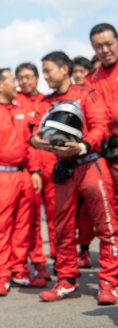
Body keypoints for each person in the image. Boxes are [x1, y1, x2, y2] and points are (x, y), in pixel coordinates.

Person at [31, 51, 118, 304]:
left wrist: (81, 147)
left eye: (48, 71)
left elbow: (100, 126)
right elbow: (35, 134)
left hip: (91, 164)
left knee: (107, 227)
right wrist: (42, 144)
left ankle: (109, 282)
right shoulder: (44, 102)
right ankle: (66, 280)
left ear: (64, 69)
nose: (44, 76)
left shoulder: (87, 94)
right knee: (62, 230)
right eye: (44, 72)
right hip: (63, 170)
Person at [0, 68, 46, 296]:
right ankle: (2, 275)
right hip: (0, 176)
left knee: (23, 225)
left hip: (23, 174)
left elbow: (30, 143)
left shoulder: (21, 110)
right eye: (12, 80)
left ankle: (19, 269)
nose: (17, 84)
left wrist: (34, 171)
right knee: (2, 225)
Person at [15, 62, 56, 275]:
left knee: (56, 216)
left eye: (29, 76)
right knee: (31, 219)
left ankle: (60, 258)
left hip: (52, 164)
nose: (25, 81)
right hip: (31, 169)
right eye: (21, 77)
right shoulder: (14, 104)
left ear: (37, 78)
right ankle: (38, 260)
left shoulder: (48, 102)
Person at [82, 23, 118, 269]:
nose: (104, 50)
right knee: (110, 215)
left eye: (109, 44)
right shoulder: (89, 81)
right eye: (98, 46)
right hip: (106, 156)